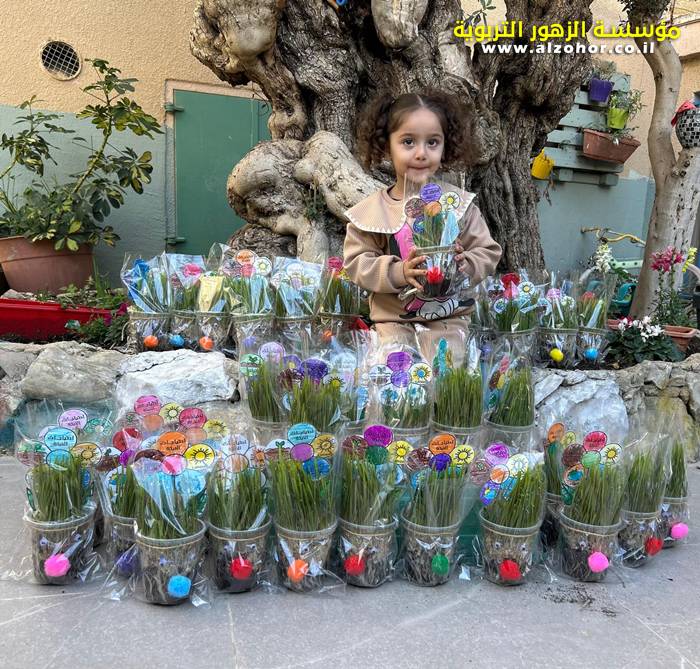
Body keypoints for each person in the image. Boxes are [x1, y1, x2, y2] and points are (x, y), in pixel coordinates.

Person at [343, 90, 502, 362]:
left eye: (432, 142)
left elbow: (487, 251)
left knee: (448, 368)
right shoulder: (374, 211)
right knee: (396, 367)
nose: (421, 153)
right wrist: (398, 271)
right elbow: (357, 262)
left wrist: (466, 264)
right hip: (394, 321)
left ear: (445, 146)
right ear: (386, 145)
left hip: (448, 319)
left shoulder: (456, 205)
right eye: (408, 142)